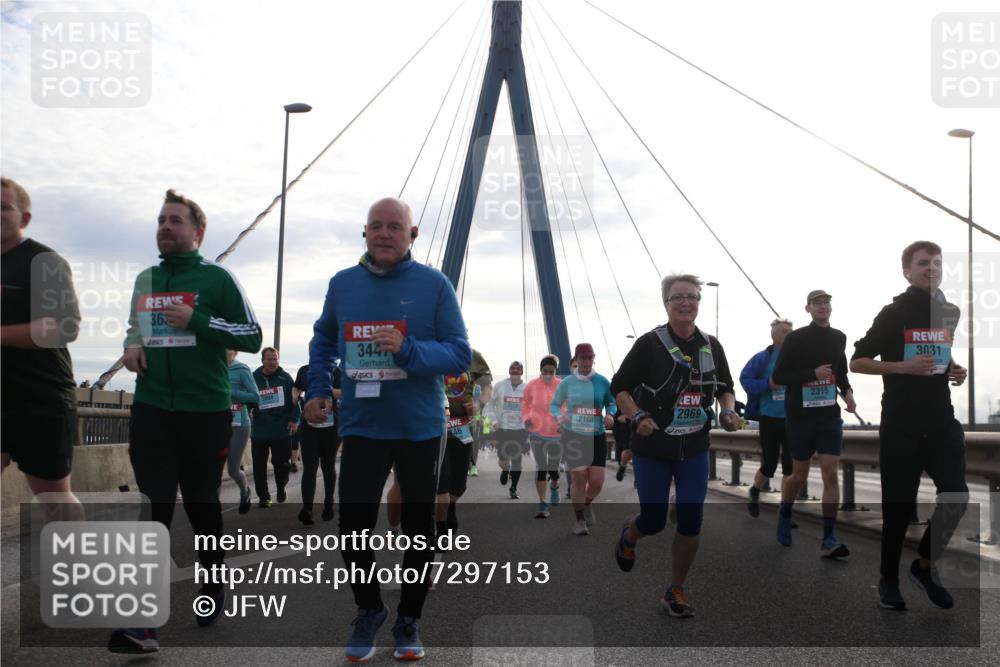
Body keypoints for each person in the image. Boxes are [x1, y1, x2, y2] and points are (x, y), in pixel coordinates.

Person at [304, 197, 470, 662]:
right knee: (353, 525)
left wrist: (408, 349)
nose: (383, 233)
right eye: (375, 225)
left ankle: (409, 619)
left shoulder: (434, 285)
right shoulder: (343, 284)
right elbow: (322, 339)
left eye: (393, 226)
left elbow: (458, 352)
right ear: (365, 233)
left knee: (418, 529)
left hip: (419, 426)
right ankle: (370, 608)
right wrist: (318, 387)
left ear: (411, 234)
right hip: (362, 424)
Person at [111, 189, 261, 652]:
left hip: (205, 412)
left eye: (175, 220)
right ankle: (141, 622)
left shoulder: (218, 279)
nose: (165, 227)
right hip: (152, 408)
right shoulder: (146, 278)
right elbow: (137, 328)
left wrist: (198, 320)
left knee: (201, 507)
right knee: (152, 508)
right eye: (160, 219)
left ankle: (213, 587)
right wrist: (131, 344)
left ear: (197, 232)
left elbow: (252, 335)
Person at [611, 274, 740, 618]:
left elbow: (726, 386)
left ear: (699, 302)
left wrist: (727, 409)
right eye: (677, 297)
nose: (686, 303)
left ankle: (675, 589)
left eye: (692, 297)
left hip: (694, 447)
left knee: (691, 519)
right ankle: (630, 533)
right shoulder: (649, 344)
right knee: (653, 520)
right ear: (665, 304)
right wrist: (637, 415)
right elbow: (619, 386)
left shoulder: (712, 345)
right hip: (653, 447)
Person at [850, 240, 969, 611]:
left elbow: (937, 355)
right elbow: (858, 361)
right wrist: (902, 367)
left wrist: (953, 369)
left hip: (941, 421)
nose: (931, 268)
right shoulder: (893, 313)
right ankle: (888, 579)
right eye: (922, 263)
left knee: (957, 495)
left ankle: (924, 565)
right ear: (907, 271)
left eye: (936, 262)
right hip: (901, 423)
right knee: (898, 510)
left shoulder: (950, 311)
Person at [1, 177, 83, 516]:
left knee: (54, 500)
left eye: (3, 207)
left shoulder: (44, 261)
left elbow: (63, 327)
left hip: (41, 401)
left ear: (24, 218)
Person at [771, 290, 856, 556]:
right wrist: (812, 374)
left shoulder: (839, 337)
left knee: (831, 472)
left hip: (829, 415)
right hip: (800, 416)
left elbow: (839, 371)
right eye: (817, 303)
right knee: (799, 475)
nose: (823, 306)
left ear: (831, 308)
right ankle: (785, 513)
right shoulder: (796, 338)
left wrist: (849, 393)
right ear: (807, 309)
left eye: (827, 302)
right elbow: (780, 375)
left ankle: (829, 537)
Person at [551, 343, 616, 535]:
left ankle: (587, 504)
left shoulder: (603, 381)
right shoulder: (567, 383)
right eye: (582, 358)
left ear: (593, 358)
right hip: (574, 435)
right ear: (576, 360)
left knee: (596, 482)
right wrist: (559, 416)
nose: (586, 361)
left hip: (596, 435)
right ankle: (579, 520)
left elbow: (611, 403)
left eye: (589, 358)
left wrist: (611, 414)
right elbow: (554, 405)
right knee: (579, 479)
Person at [740, 318, 794, 517]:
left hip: (792, 419)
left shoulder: (797, 358)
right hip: (769, 417)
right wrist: (768, 385)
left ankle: (785, 510)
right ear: (774, 336)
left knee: (790, 466)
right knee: (769, 465)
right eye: (784, 332)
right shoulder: (763, 358)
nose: (789, 334)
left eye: (790, 331)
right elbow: (745, 380)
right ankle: (754, 490)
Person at [438, 350, 491, 535]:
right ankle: (441, 525)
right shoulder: (430, 352)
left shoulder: (473, 356)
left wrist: (478, 405)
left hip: (463, 426)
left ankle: (450, 506)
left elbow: (486, 387)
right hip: (434, 425)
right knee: (440, 479)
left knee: (458, 482)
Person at [293, 361, 341, 525]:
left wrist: (325, 390)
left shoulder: (336, 371)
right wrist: (295, 393)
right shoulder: (304, 370)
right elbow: (297, 386)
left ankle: (329, 502)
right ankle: (307, 509)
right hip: (309, 427)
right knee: (310, 467)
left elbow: (343, 392)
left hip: (331, 427)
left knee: (328, 466)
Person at [250, 347, 299, 507]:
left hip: (281, 431)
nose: (273, 362)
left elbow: (295, 401)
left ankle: (281, 488)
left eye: (275, 359)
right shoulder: (254, 377)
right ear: (263, 360)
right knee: (259, 467)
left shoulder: (285, 378)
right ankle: (264, 497)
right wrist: (248, 409)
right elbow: (248, 399)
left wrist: (294, 419)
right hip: (259, 431)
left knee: (281, 464)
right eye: (269, 359)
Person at [521, 355, 564, 518]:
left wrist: (562, 421)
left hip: (556, 433)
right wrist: (526, 420)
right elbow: (524, 405)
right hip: (537, 432)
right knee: (541, 467)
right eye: (545, 371)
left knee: (553, 468)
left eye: (551, 372)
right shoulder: (532, 385)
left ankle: (554, 484)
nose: (548, 374)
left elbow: (566, 405)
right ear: (541, 370)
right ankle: (542, 503)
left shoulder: (561, 386)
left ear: (555, 371)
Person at [485, 361, 529, 499]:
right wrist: (493, 422)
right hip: (502, 429)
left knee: (517, 461)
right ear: (509, 371)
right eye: (513, 369)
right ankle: (505, 469)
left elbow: (532, 409)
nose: (515, 371)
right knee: (503, 461)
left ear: (521, 372)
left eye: (518, 369)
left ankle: (514, 488)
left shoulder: (527, 389)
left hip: (520, 430)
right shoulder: (500, 386)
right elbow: (489, 405)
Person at [228, 350, 258, 514]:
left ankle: (245, 491)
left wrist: (230, 391)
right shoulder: (212, 366)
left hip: (239, 424)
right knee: (212, 470)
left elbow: (255, 397)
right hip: (215, 423)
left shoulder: (241, 369)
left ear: (234, 351)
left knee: (233, 469)